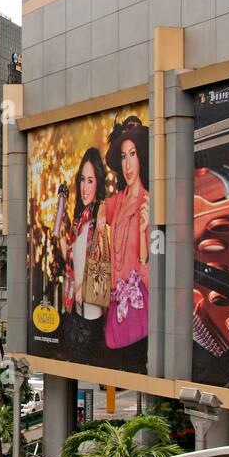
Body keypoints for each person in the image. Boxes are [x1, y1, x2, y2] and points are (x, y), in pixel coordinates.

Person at [98, 116, 150, 359]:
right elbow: (95, 209)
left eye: (133, 154)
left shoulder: (148, 201)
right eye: (123, 156)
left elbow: (151, 273)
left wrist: (142, 232)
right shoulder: (117, 202)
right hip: (114, 317)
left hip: (141, 319)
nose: (128, 164)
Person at [54, 146, 109, 355]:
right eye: (82, 180)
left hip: (92, 307)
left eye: (91, 181)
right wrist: (59, 223)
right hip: (76, 307)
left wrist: (83, 287)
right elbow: (69, 257)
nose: (85, 187)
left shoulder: (99, 214)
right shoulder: (78, 220)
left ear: (99, 183)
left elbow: (100, 259)